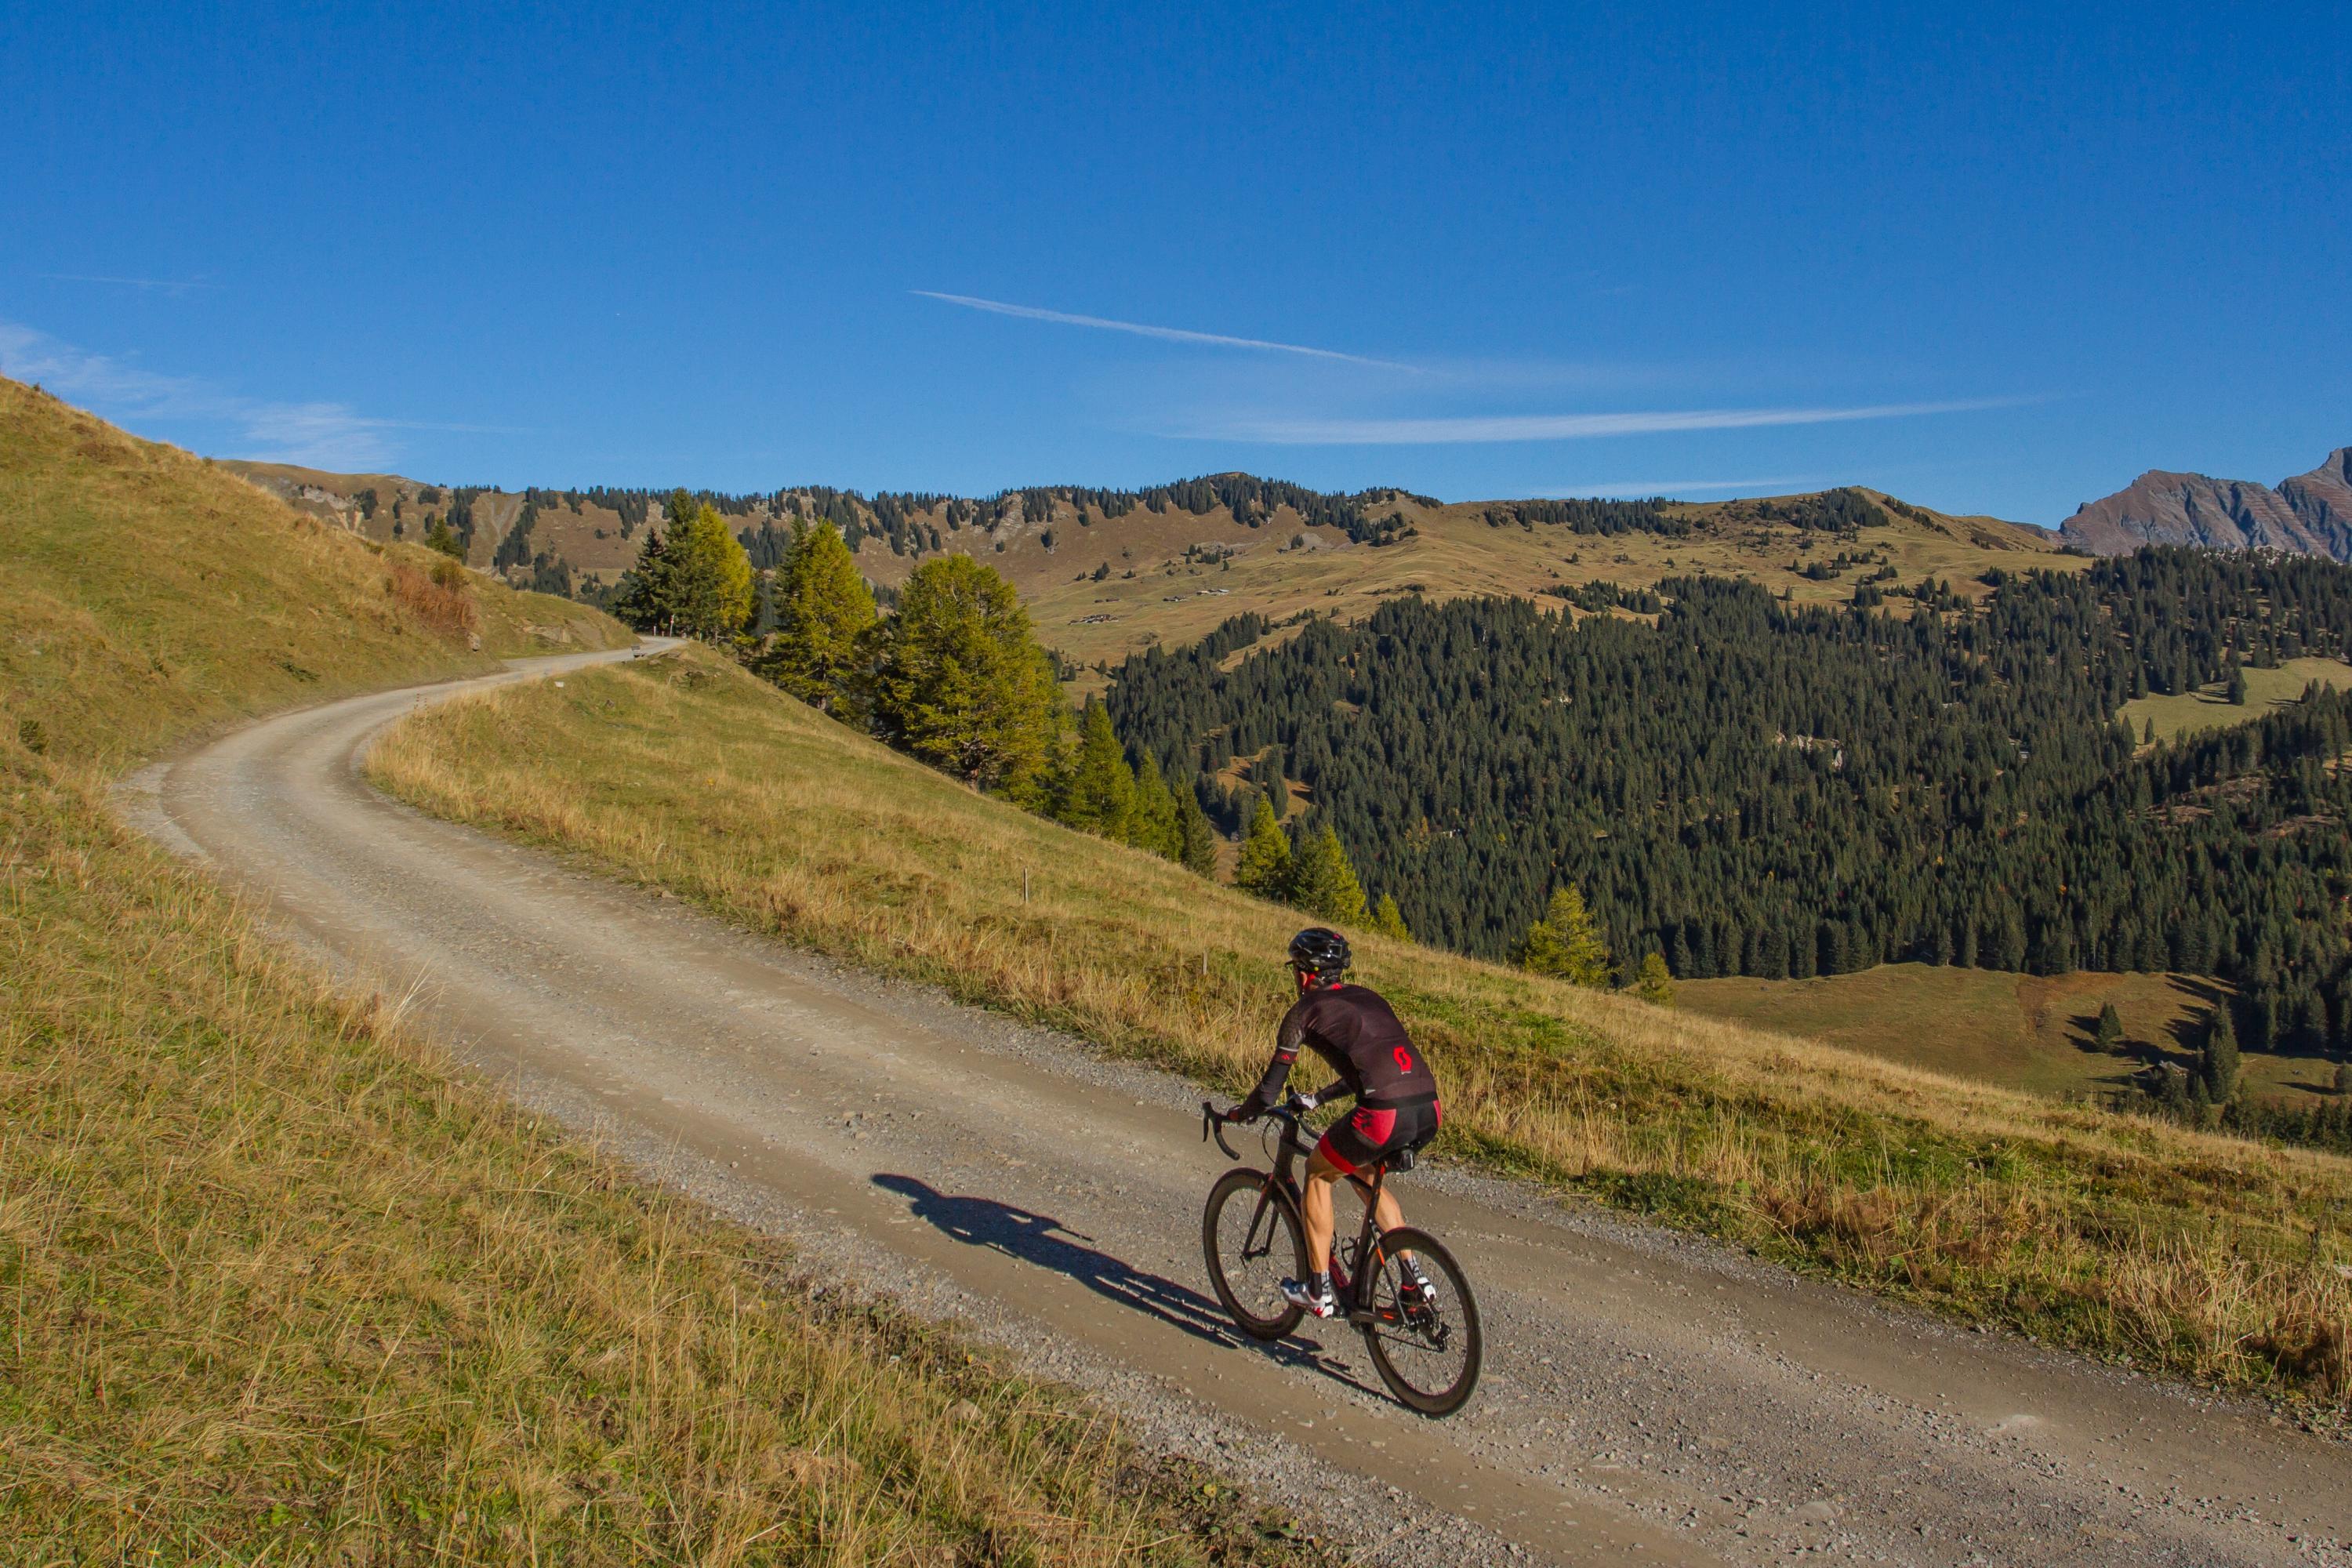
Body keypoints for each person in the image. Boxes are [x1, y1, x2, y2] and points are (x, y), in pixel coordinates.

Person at [1222, 927, 1443, 1319]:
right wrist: (1319, 1097)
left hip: (1383, 1114)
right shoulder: (1370, 998)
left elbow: (1268, 1092)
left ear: (1306, 973)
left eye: (1295, 969)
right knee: (1367, 1176)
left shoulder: (1302, 1013)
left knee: (1318, 1173)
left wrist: (1240, 1113)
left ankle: (1318, 1288)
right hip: (1428, 1107)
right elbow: (1373, 1069)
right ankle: (1414, 1281)